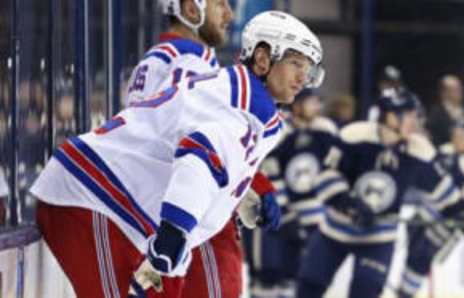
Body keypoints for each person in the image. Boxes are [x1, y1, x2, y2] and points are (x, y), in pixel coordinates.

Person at [30, 10, 325, 298]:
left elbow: (195, 150)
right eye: (296, 63)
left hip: (129, 208)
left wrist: (240, 192)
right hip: (95, 196)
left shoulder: (248, 102)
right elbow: (199, 155)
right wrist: (173, 234)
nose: (303, 77)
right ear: (262, 59)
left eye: (308, 68)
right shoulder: (240, 104)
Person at [295, 89, 460, 298]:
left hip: (379, 237)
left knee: (366, 291)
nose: (415, 121)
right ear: (390, 116)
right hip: (335, 231)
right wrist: (350, 204)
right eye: (409, 115)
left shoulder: (419, 149)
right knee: (310, 284)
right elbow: (326, 176)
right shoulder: (354, 135)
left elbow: (444, 192)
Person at [242, 89, 337, 298]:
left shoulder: (325, 132)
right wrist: (285, 213)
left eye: (317, 102)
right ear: (297, 104)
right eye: (311, 102)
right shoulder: (279, 131)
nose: (317, 107)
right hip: (273, 217)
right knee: (267, 276)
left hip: (309, 221)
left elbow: (330, 173)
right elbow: (268, 175)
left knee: (295, 278)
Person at [397, 117, 464, 298]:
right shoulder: (444, 152)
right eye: (456, 135)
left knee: (420, 258)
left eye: (463, 136)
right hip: (426, 213)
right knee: (414, 256)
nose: (457, 139)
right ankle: (406, 290)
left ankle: (406, 293)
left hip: (451, 221)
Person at [426, 74, 464, 146]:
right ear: (444, 93)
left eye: (460, 88)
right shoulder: (435, 115)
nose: (460, 92)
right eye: (455, 89)